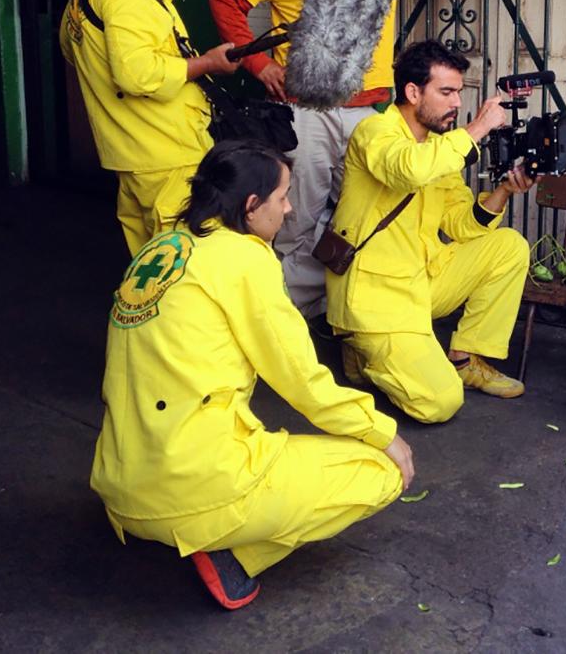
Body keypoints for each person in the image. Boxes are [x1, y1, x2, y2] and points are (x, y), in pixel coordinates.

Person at [90, 139, 414, 610]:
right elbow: (303, 379)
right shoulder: (244, 259)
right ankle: (234, 555)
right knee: (381, 472)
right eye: (282, 197)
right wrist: (383, 432)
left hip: (120, 482)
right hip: (191, 486)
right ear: (250, 205)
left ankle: (201, 527)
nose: (287, 209)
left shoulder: (162, 246)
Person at [209, 0, 531, 319]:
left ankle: (338, 317)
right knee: (296, 221)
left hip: (372, 115)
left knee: (359, 221)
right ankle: (283, 321)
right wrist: (258, 64)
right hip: (308, 113)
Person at [324, 41, 534, 423]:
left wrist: (504, 190)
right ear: (412, 92)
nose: (456, 102)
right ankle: (364, 351)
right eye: (447, 92)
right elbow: (409, 170)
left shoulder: (440, 147)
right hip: (376, 298)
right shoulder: (374, 131)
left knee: (508, 246)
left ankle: (464, 359)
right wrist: (478, 129)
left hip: (421, 280)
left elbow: (460, 224)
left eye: (459, 92)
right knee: (440, 403)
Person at [61, 0, 239, 253]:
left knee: (149, 267)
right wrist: (206, 63)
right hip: (166, 155)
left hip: (132, 153)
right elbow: (136, 74)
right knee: (185, 265)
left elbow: (69, 45)